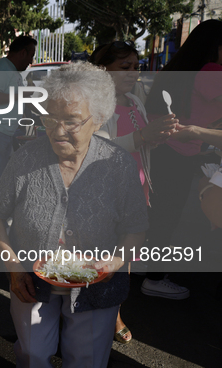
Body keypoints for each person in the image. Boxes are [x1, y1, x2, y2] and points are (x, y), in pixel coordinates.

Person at [0, 62, 148, 368]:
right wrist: (13, 265)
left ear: (98, 119)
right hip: (32, 281)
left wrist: (114, 262)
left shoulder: (118, 165)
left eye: (71, 121)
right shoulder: (25, 160)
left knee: (86, 359)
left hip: (96, 285)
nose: (57, 131)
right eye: (50, 118)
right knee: (33, 355)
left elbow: (136, 229)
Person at [90, 41, 178, 344]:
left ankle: (114, 311)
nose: (133, 73)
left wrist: (157, 137)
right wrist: (141, 136)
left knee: (125, 257)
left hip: (135, 190)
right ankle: (100, 315)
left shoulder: (134, 100)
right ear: (103, 70)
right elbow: (93, 150)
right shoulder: (92, 103)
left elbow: (140, 145)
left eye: (136, 67)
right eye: (124, 67)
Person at [141, 19, 222, 299]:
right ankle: (154, 278)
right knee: (166, 215)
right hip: (177, 150)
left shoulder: (178, 68)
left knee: (153, 211)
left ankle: (140, 267)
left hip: (158, 146)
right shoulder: (212, 71)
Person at [0, 36, 37, 200]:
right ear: (23, 53)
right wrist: (21, 95)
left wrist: (45, 114)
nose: (31, 61)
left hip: (4, 131)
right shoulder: (2, 68)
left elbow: (20, 98)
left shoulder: (12, 71)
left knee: (3, 179)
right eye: (31, 55)